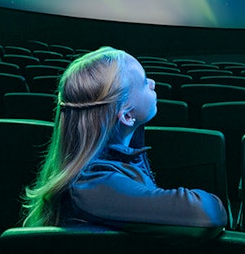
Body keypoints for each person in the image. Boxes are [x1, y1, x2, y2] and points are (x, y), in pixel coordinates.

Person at [22, 46, 228, 231]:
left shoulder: (101, 166)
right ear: (127, 116)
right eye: (144, 81)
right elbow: (207, 212)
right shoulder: (92, 188)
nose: (153, 83)